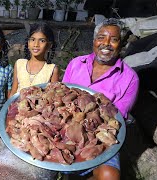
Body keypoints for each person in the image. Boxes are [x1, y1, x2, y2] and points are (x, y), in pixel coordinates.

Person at [62, 18, 139, 180]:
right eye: (101, 37)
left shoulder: (129, 78)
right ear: (94, 40)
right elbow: (62, 95)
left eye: (114, 39)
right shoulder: (76, 63)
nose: (106, 43)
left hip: (100, 136)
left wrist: (87, 126)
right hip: (64, 125)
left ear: (122, 43)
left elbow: (115, 119)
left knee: (108, 175)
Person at [9, 23, 59, 97]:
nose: (36, 44)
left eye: (42, 41)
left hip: (39, 108)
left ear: (49, 45)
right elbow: (13, 92)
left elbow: (52, 98)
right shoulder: (19, 64)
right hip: (16, 107)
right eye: (32, 40)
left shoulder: (52, 69)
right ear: (28, 43)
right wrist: (7, 107)